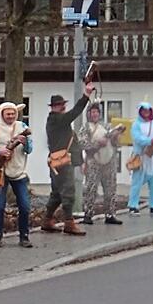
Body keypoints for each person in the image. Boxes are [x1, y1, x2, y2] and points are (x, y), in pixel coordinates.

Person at [0, 102, 33, 247]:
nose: (10, 116)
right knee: (0, 205)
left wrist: (25, 142)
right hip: (1, 172)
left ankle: (24, 236)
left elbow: (30, 149)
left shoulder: (23, 127)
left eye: (13, 113)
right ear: (1, 114)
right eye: (7, 113)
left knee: (24, 205)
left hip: (19, 170)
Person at [42, 82, 94, 235]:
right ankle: (69, 223)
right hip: (62, 163)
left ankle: (47, 220)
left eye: (62, 104)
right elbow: (75, 112)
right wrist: (86, 95)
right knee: (69, 191)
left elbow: (74, 143)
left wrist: (81, 162)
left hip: (60, 161)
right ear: (53, 107)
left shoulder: (59, 121)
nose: (62, 107)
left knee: (57, 194)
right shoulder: (56, 119)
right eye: (59, 105)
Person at [78, 103, 124, 225]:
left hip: (109, 162)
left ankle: (110, 214)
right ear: (88, 114)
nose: (95, 114)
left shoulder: (107, 126)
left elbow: (115, 144)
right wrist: (97, 144)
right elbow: (82, 144)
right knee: (91, 189)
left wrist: (116, 135)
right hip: (93, 162)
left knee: (110, 189)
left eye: (97, 112)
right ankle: (88, 214)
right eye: (92, 112)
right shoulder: (86, 128)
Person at [127, 103, 153, 215]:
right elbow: (138, 138)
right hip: (141, 156)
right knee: (137, 182)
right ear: (140, 112)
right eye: (144, 110)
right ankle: (133, 205)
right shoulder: (136, 125)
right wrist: (152, 140)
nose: (146, 112)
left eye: (148, 110)